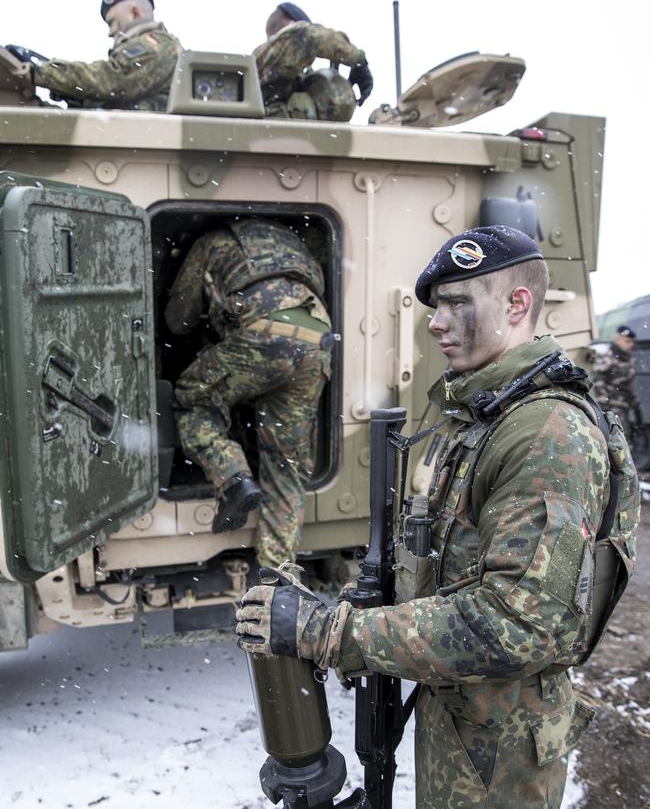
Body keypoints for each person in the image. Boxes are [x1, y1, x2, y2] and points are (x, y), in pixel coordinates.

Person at [236, 225, 640, 808]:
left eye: (456, 303)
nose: (435, 321)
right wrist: (346, 605)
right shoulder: (480, 412)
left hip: (502, 751)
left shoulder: (546, 432)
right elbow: (441, 565)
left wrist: (332, 634)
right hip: (460, 722)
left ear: (517, 304)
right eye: (435, 305)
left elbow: (518, 626)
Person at [165, 217, 332, 569]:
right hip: (317, 339)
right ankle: (277, 583)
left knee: (191, 398)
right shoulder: (292, 240)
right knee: (285, 468)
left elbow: (177, 320)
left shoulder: (210, 243)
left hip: (263, 332)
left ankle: (233, 477)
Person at [28, 0, 181, 111]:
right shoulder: (156, 45)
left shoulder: (157, 44)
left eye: (112, 22)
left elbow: (112, 79)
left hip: (139, 138)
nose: (110, 32)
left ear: (135, 13)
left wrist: (41, 71)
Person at [253, 2, 373, 121]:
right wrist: (358, 60)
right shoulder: (268, 56)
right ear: (291, 27)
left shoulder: (277, 71)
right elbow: (309, 35)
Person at [591, 325, 643, 439]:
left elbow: (630, 385)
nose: (631, 345)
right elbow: (599, 383)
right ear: (617, 339)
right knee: (619, 440)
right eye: (627, 341)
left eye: (632, 342)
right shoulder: (608, 357)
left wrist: (637, 407)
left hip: (625, 407)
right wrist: (605, 410)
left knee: (627, 437)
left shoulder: (628, 359)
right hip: (613, 409)